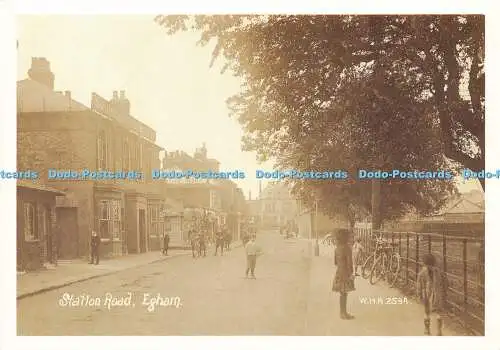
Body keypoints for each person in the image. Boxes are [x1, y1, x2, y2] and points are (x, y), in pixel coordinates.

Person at [417, 253, 447, 336]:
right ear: (434, 262)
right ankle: (439, 331)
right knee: (439, 312)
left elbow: (419, 286)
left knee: (427, 312)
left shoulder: (421, 273)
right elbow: (445, 283)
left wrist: (419, 295)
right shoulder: (439, 272)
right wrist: (444, 293)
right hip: (437, 294)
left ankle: (427, 330)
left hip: (426, 294)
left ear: (424, 263)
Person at [331, 228, 355, 320]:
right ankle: (344, 313)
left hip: (339, 272)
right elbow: (349, 263)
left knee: (342, 293)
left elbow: (335, 263)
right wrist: (351, 274)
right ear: (345, 238)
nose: (350, 238)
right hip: (345, 273)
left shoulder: (337, 248)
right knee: (345, 293)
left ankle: (342, 313)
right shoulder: (347, 248)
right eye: (349, 236)